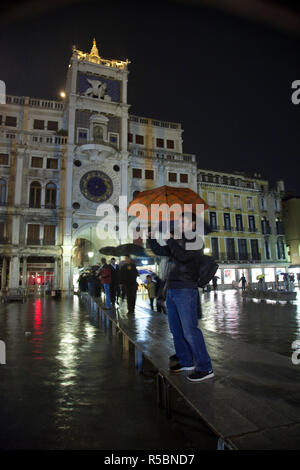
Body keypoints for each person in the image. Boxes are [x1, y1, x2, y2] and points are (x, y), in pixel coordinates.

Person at [147, 213, 214, 383]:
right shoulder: (177, 239)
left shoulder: (196, 241)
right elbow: (161, 251)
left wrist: (170, 239)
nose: (179, 223)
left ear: (193, 225)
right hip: (172, 288)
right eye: (179, 220)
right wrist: (152, 238)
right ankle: (186, 362)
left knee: (190, 331)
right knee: (176, 330)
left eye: (183, 221)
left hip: (185, 289)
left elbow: (184, 257)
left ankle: (205, 367)